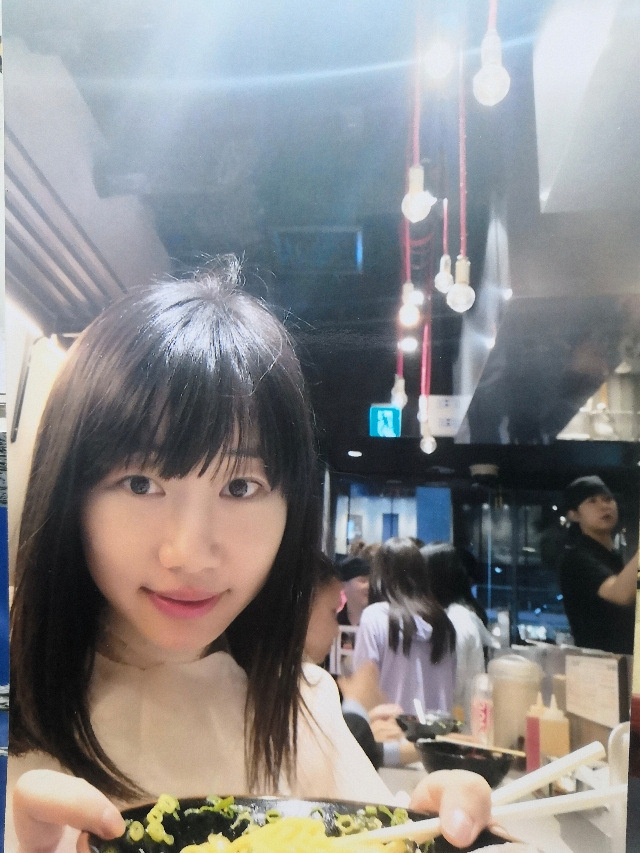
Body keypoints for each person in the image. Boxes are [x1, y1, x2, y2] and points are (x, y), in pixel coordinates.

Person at [7, 261, 491, 853]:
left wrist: (433, 832)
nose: (189, 555)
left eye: (241, 487)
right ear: (69, 492)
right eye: (139, 483)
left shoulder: (302, 711)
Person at [304, 559, 419, 770]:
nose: (337, 631)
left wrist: (362, 718)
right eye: (332, 612)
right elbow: (334, 759)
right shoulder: (305, 678)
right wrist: (357, 706)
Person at [352, 537, 457, 715]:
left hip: (389, 728)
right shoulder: (444, 623)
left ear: (380, 575)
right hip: (438, 730)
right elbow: (451, 685)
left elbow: (364, 685)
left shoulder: (375, 617)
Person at [420, 543, 497, 731]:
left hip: (456, 730)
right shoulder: (454, 616)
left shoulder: (457, 621)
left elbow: (452, 686)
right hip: (454, 726)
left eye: (420, 574)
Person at [559, 475, 638, 655]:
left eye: (608, 499)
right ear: (574, 515)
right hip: (597, 667)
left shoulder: (614, 556)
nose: (604, 506)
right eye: (592, 501)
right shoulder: (576, 559)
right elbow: (620, 594)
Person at [337, 554, 371, 627]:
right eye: (363, 581)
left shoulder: (380, 623)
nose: (368, 586)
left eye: (371, 581)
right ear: (344, 585)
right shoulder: (334, 623)